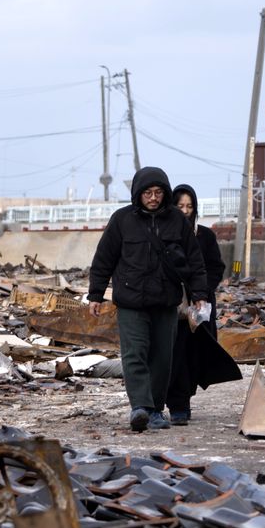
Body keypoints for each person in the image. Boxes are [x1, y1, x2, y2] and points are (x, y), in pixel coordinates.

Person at [88, 167, 210, 432]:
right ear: (138, 194)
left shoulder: (177, 220)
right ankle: (140, 408)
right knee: (134, 354)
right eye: (148, 193)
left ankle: (155, 409)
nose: (153, 198)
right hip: (131, 302)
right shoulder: (121, 220)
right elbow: (103, 260)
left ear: (165, 193)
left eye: (158, 193)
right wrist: (95, 295)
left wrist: (199, 294)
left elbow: (194, 260)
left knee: (162, 359)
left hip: (165, 302)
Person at [166, 184, 226, 425]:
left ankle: (185, 397)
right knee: (175, 353)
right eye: (180, 206)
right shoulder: (166, 234)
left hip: (200, 305)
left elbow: (215, 268)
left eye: (189, 206)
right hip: (174, 304)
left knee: (195, 353)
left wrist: (201, 291)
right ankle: (178, 404)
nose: (185, 211)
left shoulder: (205, 236)